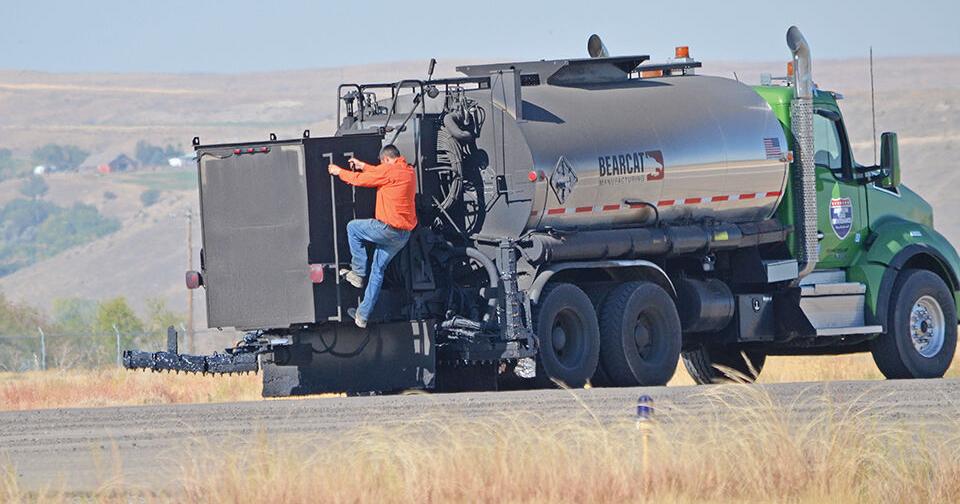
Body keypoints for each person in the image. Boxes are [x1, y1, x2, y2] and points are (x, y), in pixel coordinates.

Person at [327, 145, 417, 328]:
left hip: (387, 229)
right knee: (377, 271)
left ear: (386, 160)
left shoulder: (389, 171)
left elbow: (360, 180)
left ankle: (358, 273)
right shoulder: (408, 171)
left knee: (353, 228)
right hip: (402, 236)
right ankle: (362, 316)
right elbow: (380, 173)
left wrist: (338, 172)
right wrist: (363, 165)